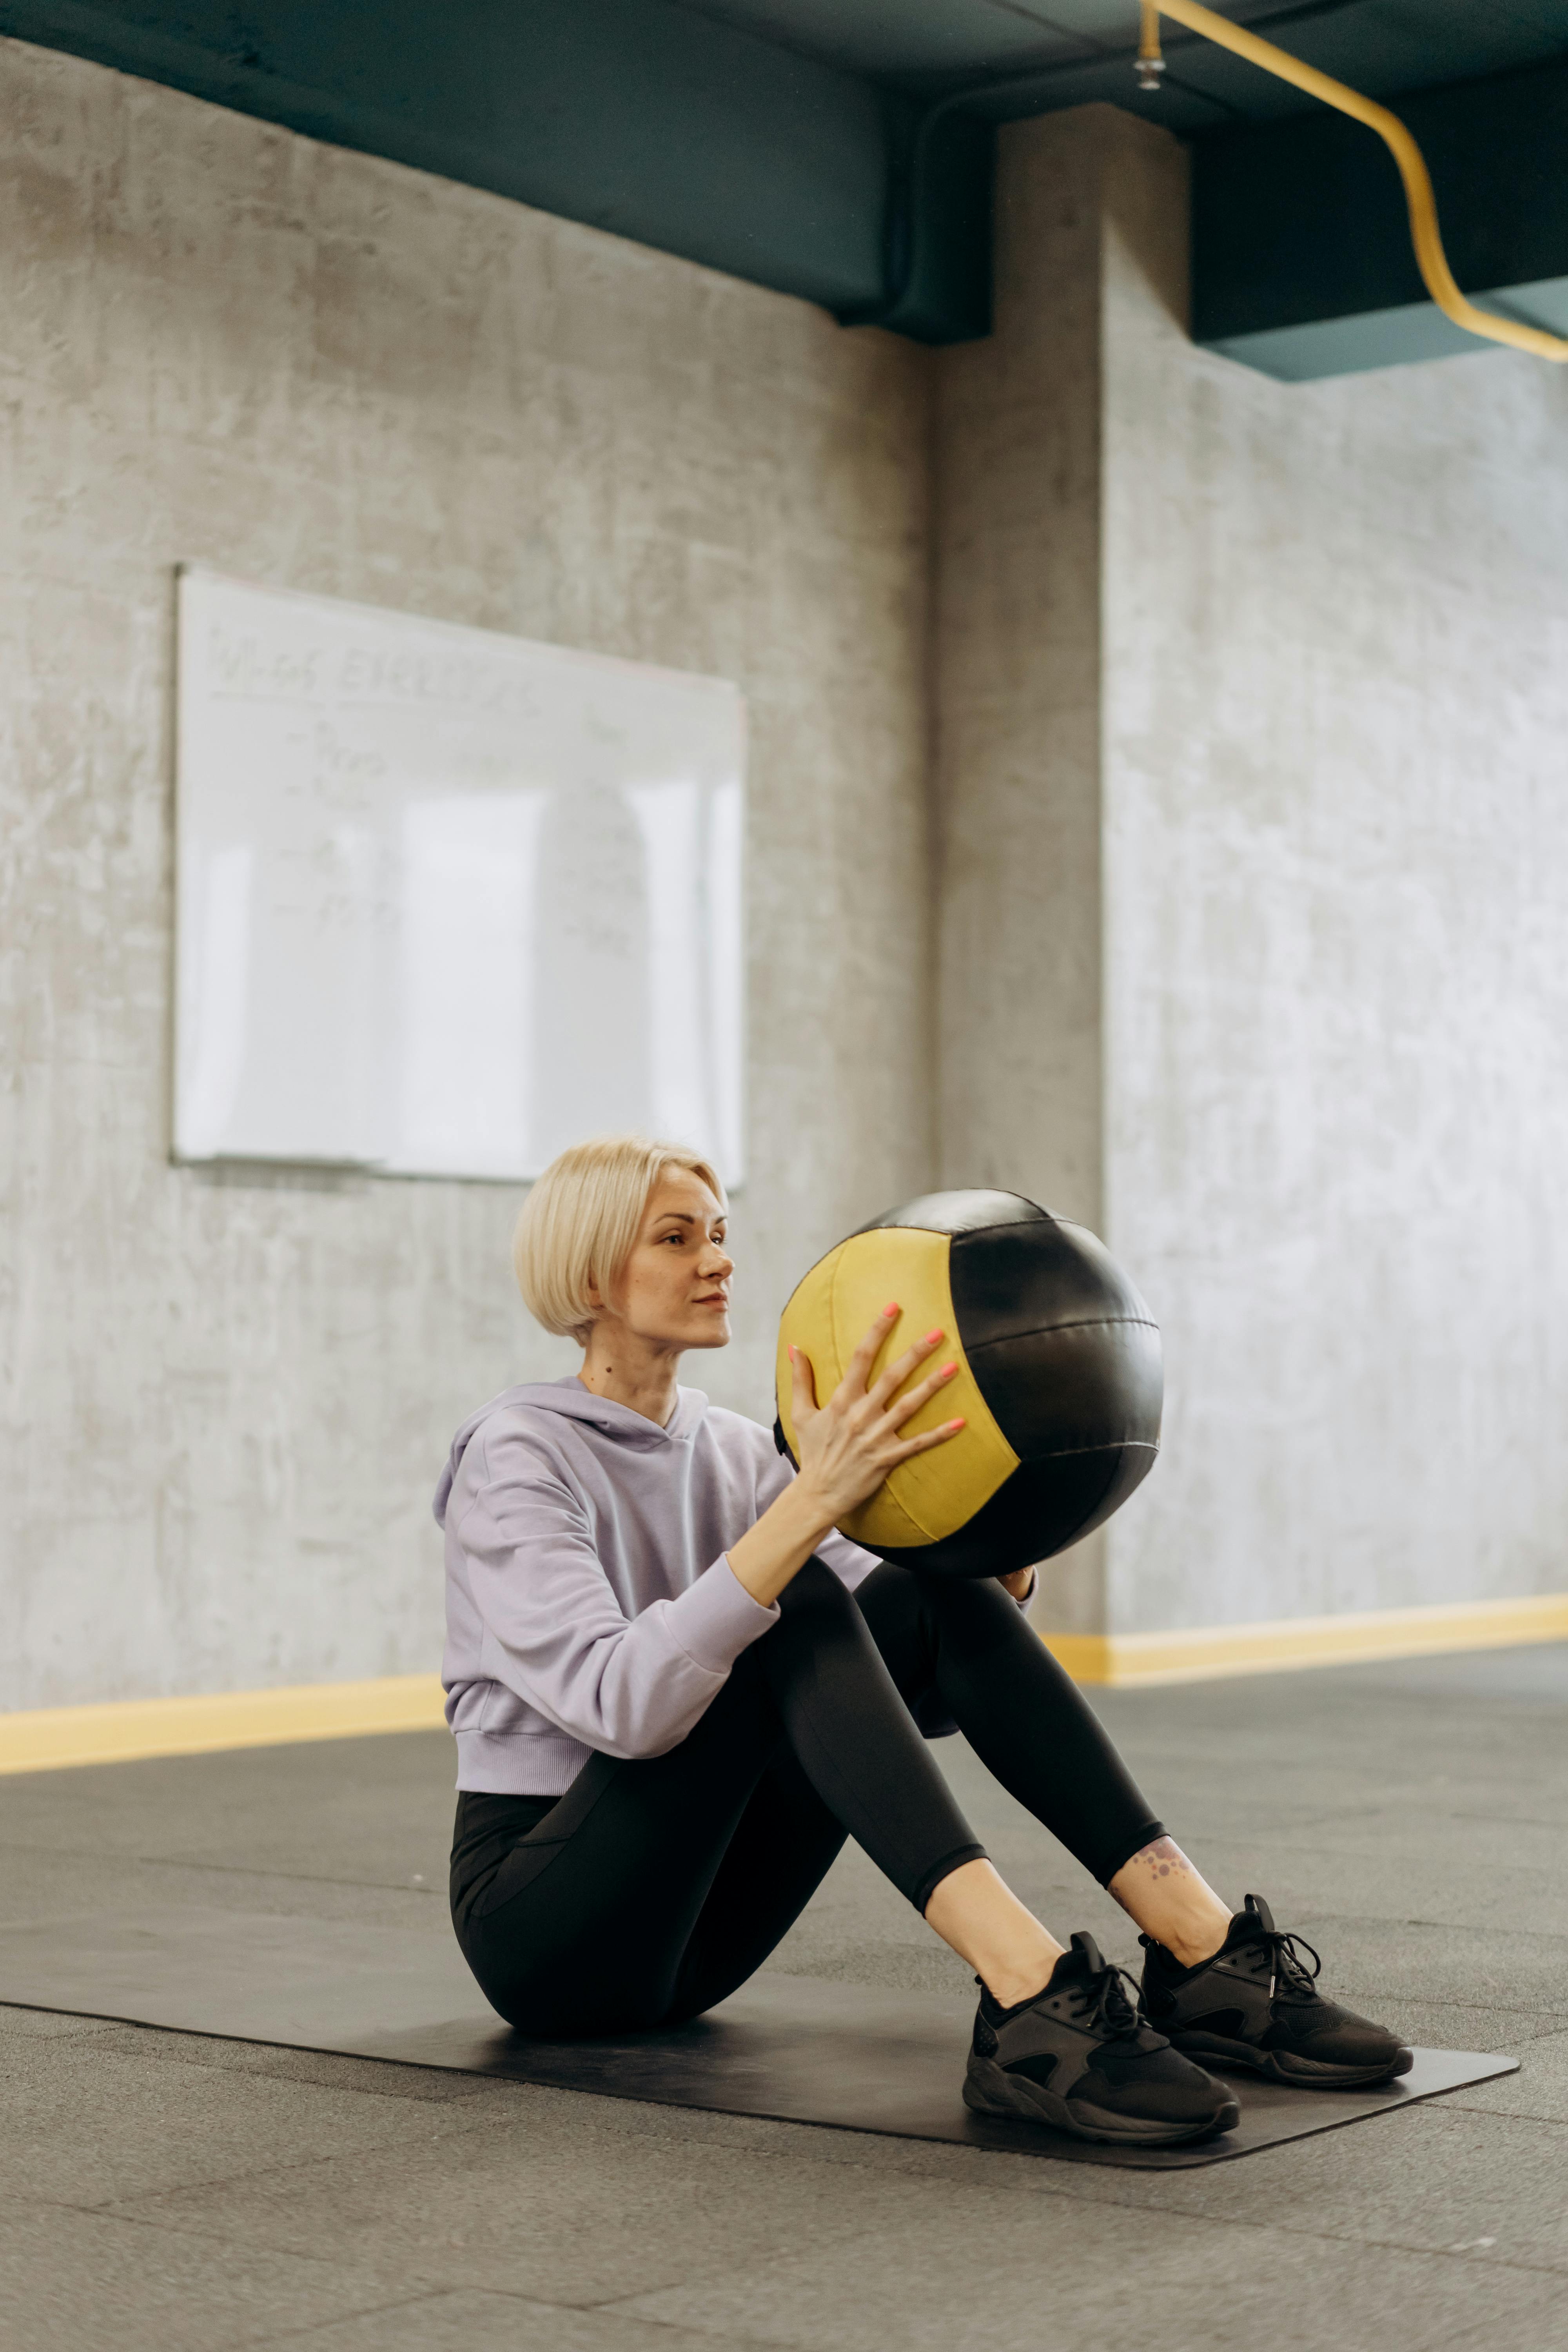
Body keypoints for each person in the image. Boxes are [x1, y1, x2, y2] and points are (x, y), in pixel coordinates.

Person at [438, 1136, 1410, 2147]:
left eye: (721, 1236)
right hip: (549, 1925)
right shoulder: (517, 1454)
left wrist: (1011, 1522)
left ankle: (1199, 1950)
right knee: (796, 1596)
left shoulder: (730, 1448)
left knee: (913, 1593)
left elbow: (923, 1674)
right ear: (593, 1274)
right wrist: (813, 1501)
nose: (719, 1260)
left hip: (702, 1932)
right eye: (678, 1239)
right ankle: (1027, 1989)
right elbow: (621, 1709)